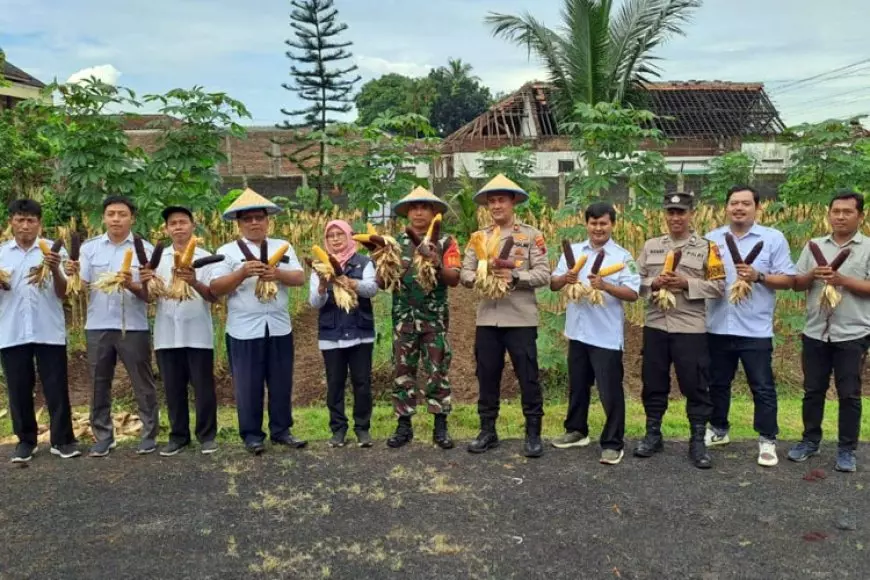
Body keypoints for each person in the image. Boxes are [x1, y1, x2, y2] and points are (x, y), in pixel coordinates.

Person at [210, 188, 306, 455]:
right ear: (239, 224)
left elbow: (299, 278)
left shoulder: (282, 246)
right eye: (248, 219)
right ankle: (252, 434)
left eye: (259, 218)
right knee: (248, 384)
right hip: (244, 330)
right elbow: (216, 287)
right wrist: (242, 272)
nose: (254, 223)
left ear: (267, 221)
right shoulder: (227, 252)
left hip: (278, 326)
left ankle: (281, 430)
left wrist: (276, 274)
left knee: (281, 381)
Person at [704, 185, 795, 467]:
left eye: (745, 203)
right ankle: (719, 429)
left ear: (757, 207)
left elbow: (789, 279)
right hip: (718, 325)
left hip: (755, 329)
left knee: (762, 386)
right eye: (734, 203)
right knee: (718, 383)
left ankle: (767, 439)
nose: (739, 208)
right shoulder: (712, 239)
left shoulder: (772, 238)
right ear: (726, 207)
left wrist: (758, 276)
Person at [460, 174, 550, 457]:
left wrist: (515, 277)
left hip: (521, 319)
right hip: (488, 319)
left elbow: (543, 274)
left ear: (513, 202)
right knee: (487, 375)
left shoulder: (531, 236)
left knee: (528, 376)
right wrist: (481, 276)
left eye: (501, 200)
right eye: (492, 201)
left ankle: (533, 433)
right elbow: (464, 273)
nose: (496, 205)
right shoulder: (479, 237)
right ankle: (488, 430)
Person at [634, 191, 725, 469]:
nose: (676, 218)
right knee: (653, 382)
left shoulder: (707, 248)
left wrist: (686, 283)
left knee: (695, 384)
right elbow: (633, 282)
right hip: (656, 326)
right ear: (665, 215)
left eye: (681, 212)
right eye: (671, 212)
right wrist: (653, 282)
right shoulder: (651, 246)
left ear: (691, 214)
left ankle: (697, 440)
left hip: (690, 328)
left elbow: (720, 287)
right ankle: (653, 434)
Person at [65, 195, 158, 457]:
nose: (116, 219)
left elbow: (150, 295)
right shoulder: (89, 249)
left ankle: (149, 434)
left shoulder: (146, 250)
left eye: (122, 214)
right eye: (111, 214)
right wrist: (70, 273)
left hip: (134, 326)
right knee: (98, 382)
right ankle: (103, 436)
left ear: (132, 218)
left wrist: (132, 284)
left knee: (143, 382)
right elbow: (79, 288)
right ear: (104, 217)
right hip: (98, 326)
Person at [549, 202, 640, 465]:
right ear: (586, 224)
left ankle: (613, 443)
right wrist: (565, 277)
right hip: (577, 332)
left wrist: (606, 285)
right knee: (578, 387)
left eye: (603, 223)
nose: (598, 228)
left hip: (605, 336)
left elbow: (633, 293)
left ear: (612, 224)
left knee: (609, 391)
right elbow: (554, 284)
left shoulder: (623, 257)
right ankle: (576, 431)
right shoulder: (574, 251)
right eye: (593, 223)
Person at [788, 191, 870, 473]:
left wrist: (842, 280)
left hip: (852, 333)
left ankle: (847, 450)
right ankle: (810, 441)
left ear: (860, 215)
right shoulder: (813, 247)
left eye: (848, 212)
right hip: (815, 333)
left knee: (849, 394)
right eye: (836, 211)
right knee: (813, 391)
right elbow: (797, 284)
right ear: (829, 214)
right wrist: (814, 274)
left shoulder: (868, 248)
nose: (840, 216)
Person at [0, 199, 78, 462]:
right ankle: (26, 440)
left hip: (48, 330)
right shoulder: (2, 254)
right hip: (12, 331)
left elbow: (64, 291)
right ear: (10, 222)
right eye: (20, 220)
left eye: (31, 220)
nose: (25, 225)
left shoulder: (56, 253)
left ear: (39, 224)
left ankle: (62, 440)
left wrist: (55, 267)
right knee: (19, 388)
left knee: (56, 386)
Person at [384, 187, 461, 450]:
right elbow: (383, 282)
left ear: (434, 212)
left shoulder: (446, 242)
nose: (418, 212)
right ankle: (404, 426)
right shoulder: (394, 244)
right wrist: (379, 259)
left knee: (437, 372)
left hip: (434, 319)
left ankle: (440, 426)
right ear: (407, 212)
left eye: (424, 207)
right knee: (403, 372)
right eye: (413, 207)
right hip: (403, 319)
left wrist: (437, 262)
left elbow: (454, 279)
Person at [148, 206, 219, 457]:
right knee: (172, 387)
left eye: (183, 222)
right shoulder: (158, 259)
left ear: (193, 226)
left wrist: (193, 281)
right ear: (166, 229)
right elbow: (149, 295)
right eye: (173, 223)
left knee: (203, 387)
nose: (178, 227)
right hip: (166, 334)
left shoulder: (206, 257)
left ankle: (207, 435)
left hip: (198, 332)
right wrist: (150, 282)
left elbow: (213, 296)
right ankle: (178, 436)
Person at [309, 219, 379, 448]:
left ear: (350, 236)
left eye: (340, 234)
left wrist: (351, 282)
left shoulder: (364, 262)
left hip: (360, 331)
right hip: (332, 334)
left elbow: (372, 289)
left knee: (361, 382)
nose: (336, 239)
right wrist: (321, 286)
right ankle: (338, 429)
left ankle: (362, 429)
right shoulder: (320, 266)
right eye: (331, 236)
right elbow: (315, 303)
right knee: (335, 384)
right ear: (326, 241)